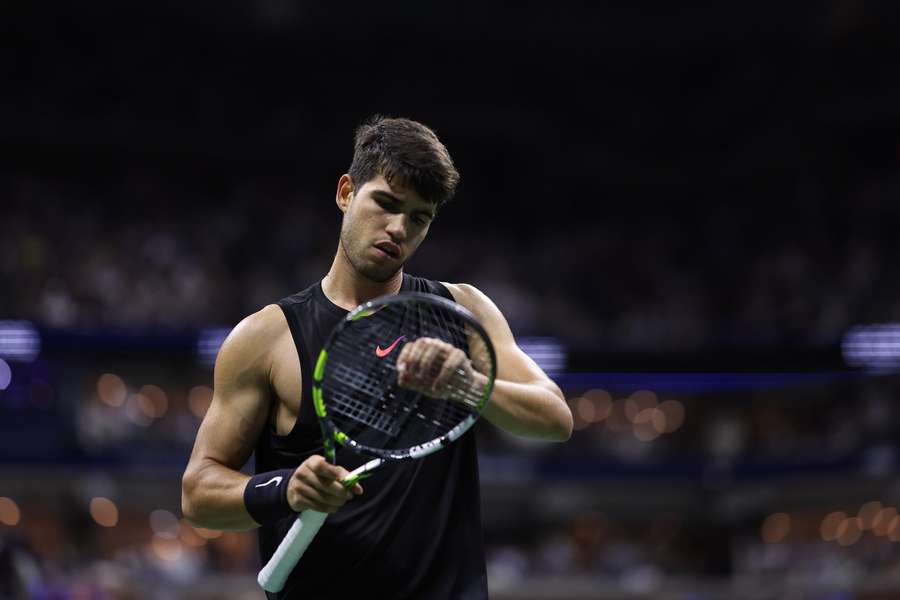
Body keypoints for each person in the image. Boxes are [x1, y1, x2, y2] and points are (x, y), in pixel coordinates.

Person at [181, 116, 573, 599]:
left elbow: (555, 418)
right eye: (385, 204)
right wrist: (286, 489)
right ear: (346, 192)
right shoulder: (267, 338)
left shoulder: (463, 312)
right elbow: (197, 493)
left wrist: (469, 386)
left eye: (419, 217)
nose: (398, 229)